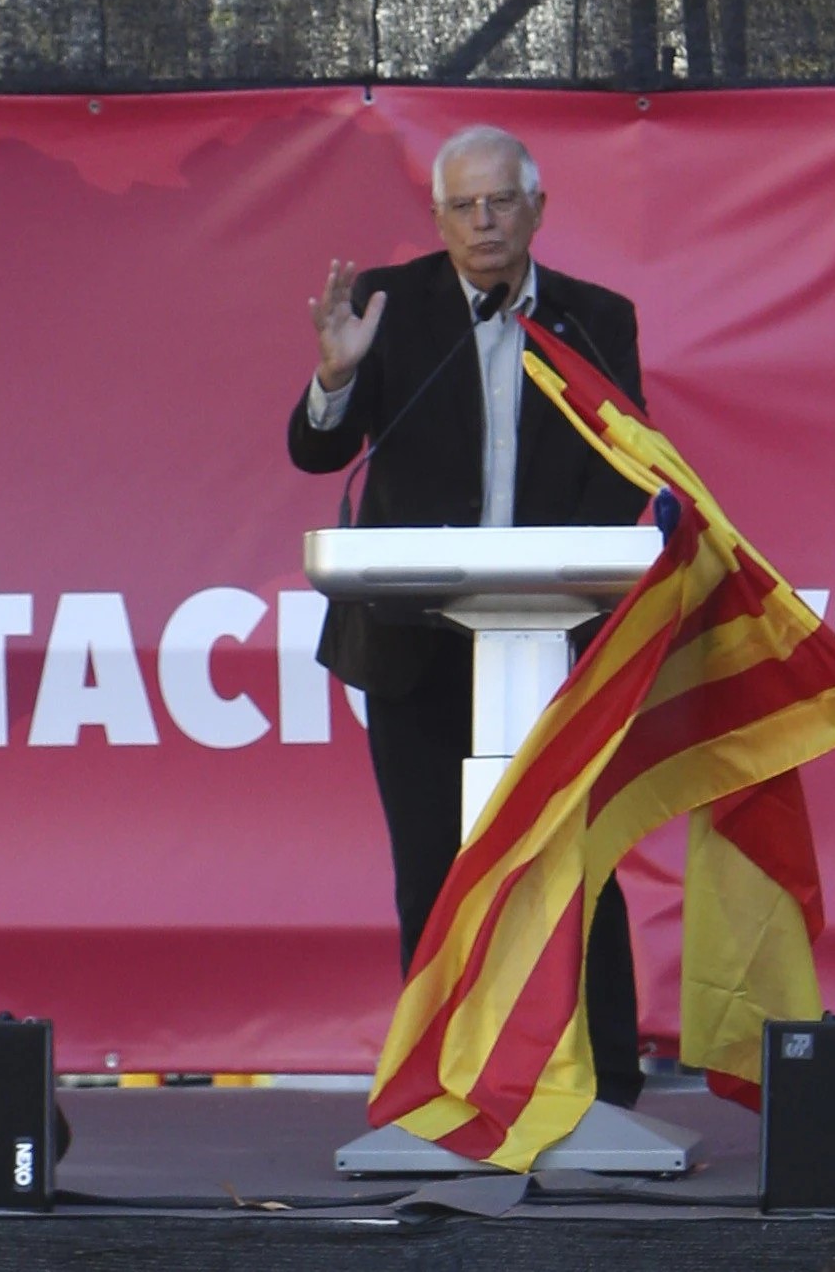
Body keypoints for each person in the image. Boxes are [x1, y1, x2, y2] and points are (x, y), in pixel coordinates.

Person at [289, 124, 652, 1109]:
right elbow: (317, 455)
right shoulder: (387, 305)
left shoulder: (592, 317)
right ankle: (440, 1085)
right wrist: (335, 377)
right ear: (437, 216)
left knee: (573, 862)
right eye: (462, 204)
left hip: (548, 641)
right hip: (416, 646)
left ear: (535, 208)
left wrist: (556, 575)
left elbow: (627, 469)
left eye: (499, 201)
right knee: (433, 871)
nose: (482, 220)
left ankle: (603, 1086)